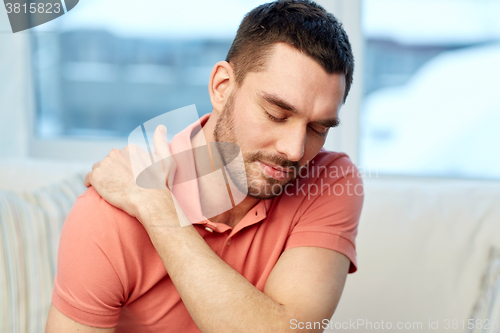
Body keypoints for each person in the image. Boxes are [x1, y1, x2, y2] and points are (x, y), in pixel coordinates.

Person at [45, 0, 363, 332]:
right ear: (222, 87)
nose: (295, 151)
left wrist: (160, 213)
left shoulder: (330, 180)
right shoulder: (106, 217)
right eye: (276, 115)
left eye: (318, 129)